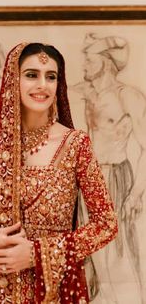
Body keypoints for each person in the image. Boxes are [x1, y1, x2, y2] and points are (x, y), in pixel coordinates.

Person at [0, 42, 118, 304]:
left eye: (51, 77)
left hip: (57, 289)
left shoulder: (75, 145)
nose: (42, 84)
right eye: (32, 75)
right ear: (12, 80)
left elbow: (106, 225)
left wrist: (37, 253)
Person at [71, 34, 146, 303]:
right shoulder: (86, 93)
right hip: (86, 183)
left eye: (89, 60)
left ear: (104, 62)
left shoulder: (128, 97)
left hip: (115, 178)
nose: (83, 66)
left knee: (117, 254)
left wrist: (136, 193)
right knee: (88, 254)